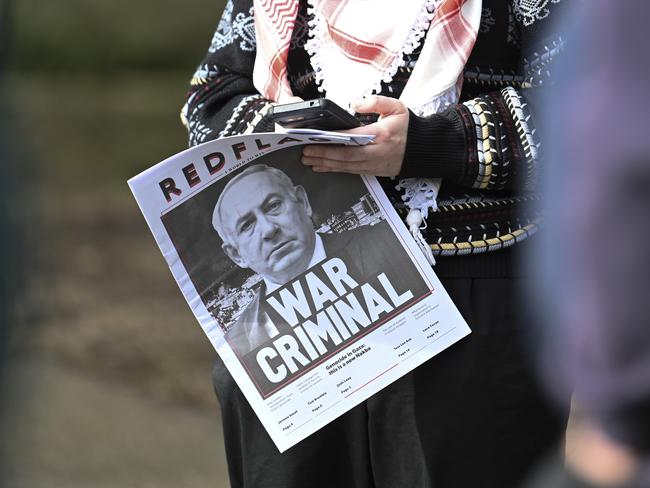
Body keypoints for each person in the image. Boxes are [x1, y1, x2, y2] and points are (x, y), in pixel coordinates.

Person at [182, 1, 570, 487]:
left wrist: (432, 142)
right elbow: (210, 96)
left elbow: (597, 104)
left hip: (468, 299)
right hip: (295, 322)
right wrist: (286, 134)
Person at [214, 163, 421, 357]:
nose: (269, 229)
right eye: (247, 225)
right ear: (236, 255)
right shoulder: (240, 346)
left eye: (274, 205)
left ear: (302, 202)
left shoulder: (390, 243)